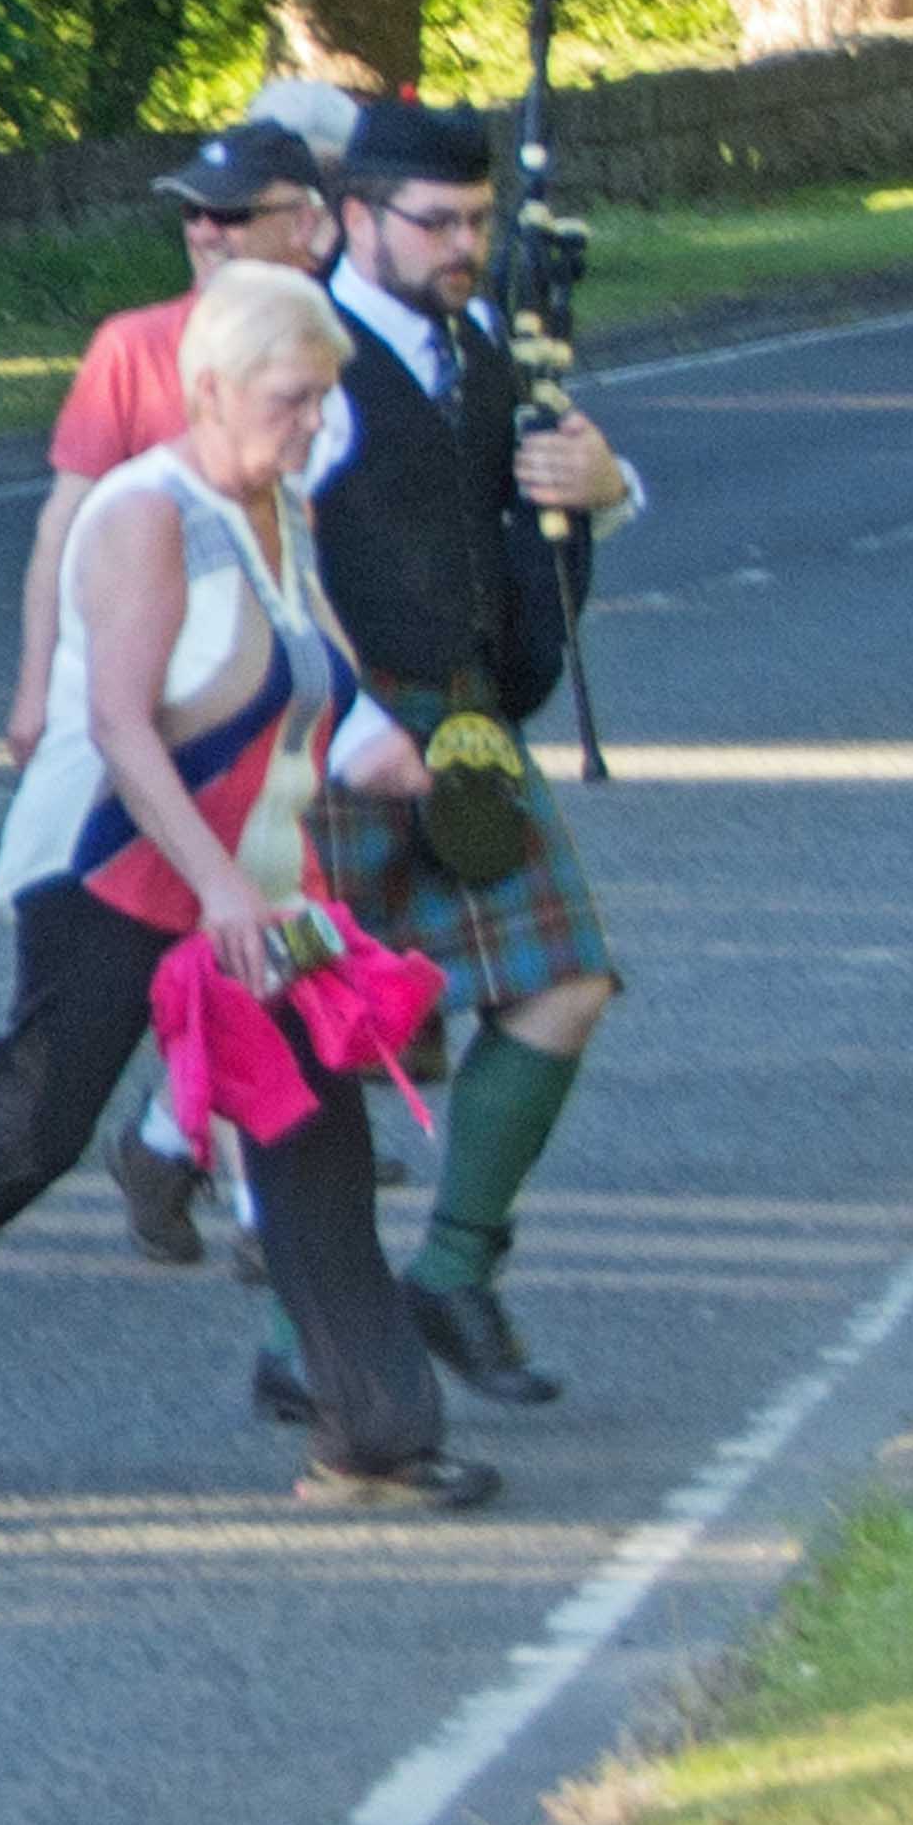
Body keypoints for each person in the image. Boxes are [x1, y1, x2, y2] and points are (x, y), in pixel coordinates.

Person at [0, 262, 487, 1511]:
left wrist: (390, 763)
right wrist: (218, 889)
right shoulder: (146, 513)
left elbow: (313, 677)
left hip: (254, 876)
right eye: (290, 396)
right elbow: (119, 723)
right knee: (32, 1125)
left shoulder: (281, 506)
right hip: (115, 865)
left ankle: (373, 1433)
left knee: (314, 1129)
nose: (314, 422)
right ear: (208, 388)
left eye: (323, 396)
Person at [305, 94, 641, 1410]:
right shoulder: (301, 352)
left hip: (467, 718)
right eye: (435, 221)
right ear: (356, 219)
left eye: (478, 221)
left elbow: (529, 498)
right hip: (335, 720)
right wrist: (344, 714)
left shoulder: (486, 343)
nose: (463, 245)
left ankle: (453, 1269)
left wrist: (603, 486)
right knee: (322, 1036)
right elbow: (250, 545)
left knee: (567, 983)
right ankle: (300, 1336)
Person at [3, 116, 332, 1262]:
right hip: (168, 718)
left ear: (307, 224)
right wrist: (36, 681)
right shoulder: (136, 348)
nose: (206, 231)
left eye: (233, 213)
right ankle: (267, 1214)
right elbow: (64, 519)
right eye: (193, 212)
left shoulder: (333, 353)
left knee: (285, 969)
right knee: (221, 965)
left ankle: (170, 1144)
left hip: (288, 706)